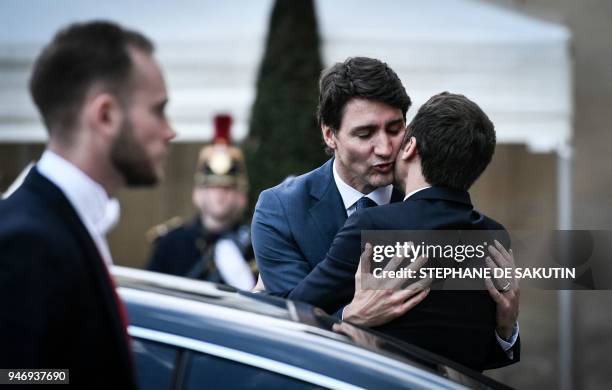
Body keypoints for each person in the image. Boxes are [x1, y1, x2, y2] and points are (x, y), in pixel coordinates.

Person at [251, 57, 519, 363]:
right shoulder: (281, 209)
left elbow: (460, 331)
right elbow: (280, 324)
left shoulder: (438, 203)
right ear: (330, 135)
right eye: (365, 134)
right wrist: (349, 317)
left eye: (395, 129)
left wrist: (506, 329)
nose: (385, 148)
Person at [0, 21, 175, 387]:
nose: (169, 131)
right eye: (158, 110)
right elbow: (16, 377)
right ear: (105, 115)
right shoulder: (28, 240)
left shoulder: (63, 221)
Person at [147, 115, 256, 289]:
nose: (220, 195)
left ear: (241, 196)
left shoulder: (256, 246)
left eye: (227, 187)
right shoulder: (171, 242)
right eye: (212, 186)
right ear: (197, 193)